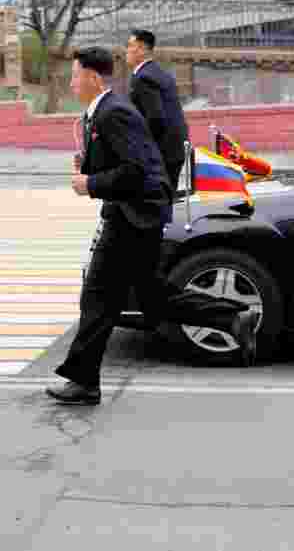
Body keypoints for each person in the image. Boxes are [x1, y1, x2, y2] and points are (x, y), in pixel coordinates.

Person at [46, 48, 257, 406]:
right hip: (132, 214)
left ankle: (84, 381)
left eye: (74, 75)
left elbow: (137, 171)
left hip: (134, 216)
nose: (70, 82)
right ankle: (233, 317)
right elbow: (126, 161)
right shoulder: (100, 113)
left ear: (93, 78)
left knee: (98, 297)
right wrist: (88, 166)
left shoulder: (115, 113)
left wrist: (91, 184)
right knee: (152, 298)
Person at [125, 30, 190, 198]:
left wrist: (143, 150)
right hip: (173, 149)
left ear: (142, 49)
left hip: (162, 152)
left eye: (130, 46)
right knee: (165, 201)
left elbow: (155, 118)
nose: (127, 50)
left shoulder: (143, 77)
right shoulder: (159, 72)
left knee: (155, 205)